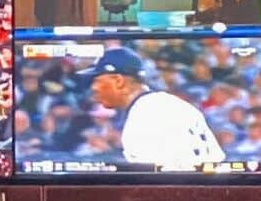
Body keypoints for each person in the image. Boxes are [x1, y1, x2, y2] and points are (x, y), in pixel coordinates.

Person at [78, 45, 224, 169]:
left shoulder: (143, 117)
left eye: (96, 80)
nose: (94, 88)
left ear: (118, 81)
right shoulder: (172, 104)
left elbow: (153, 182)